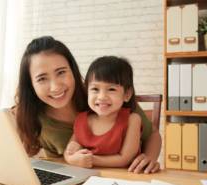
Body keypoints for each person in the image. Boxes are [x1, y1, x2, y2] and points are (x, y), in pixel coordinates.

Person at [14, 36, 161, 174]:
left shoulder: (105, 100)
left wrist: (150, 157)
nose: (55, 87)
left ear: (73, 70)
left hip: (129, 177)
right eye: (41, 79)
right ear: (30, 84)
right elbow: (58, 163)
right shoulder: (35, 120)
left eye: (61, 72)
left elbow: (152, 134)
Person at [64, 56, 141, 168]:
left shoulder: (132, 119)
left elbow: (124, 158)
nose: (102, 96)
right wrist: (71, 159)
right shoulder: (81, 119)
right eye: (95, 89)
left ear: (127, 94)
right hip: (91, 178)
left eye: (111, 89)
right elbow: (69, 152)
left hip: (124, 179)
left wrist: (90, 159)